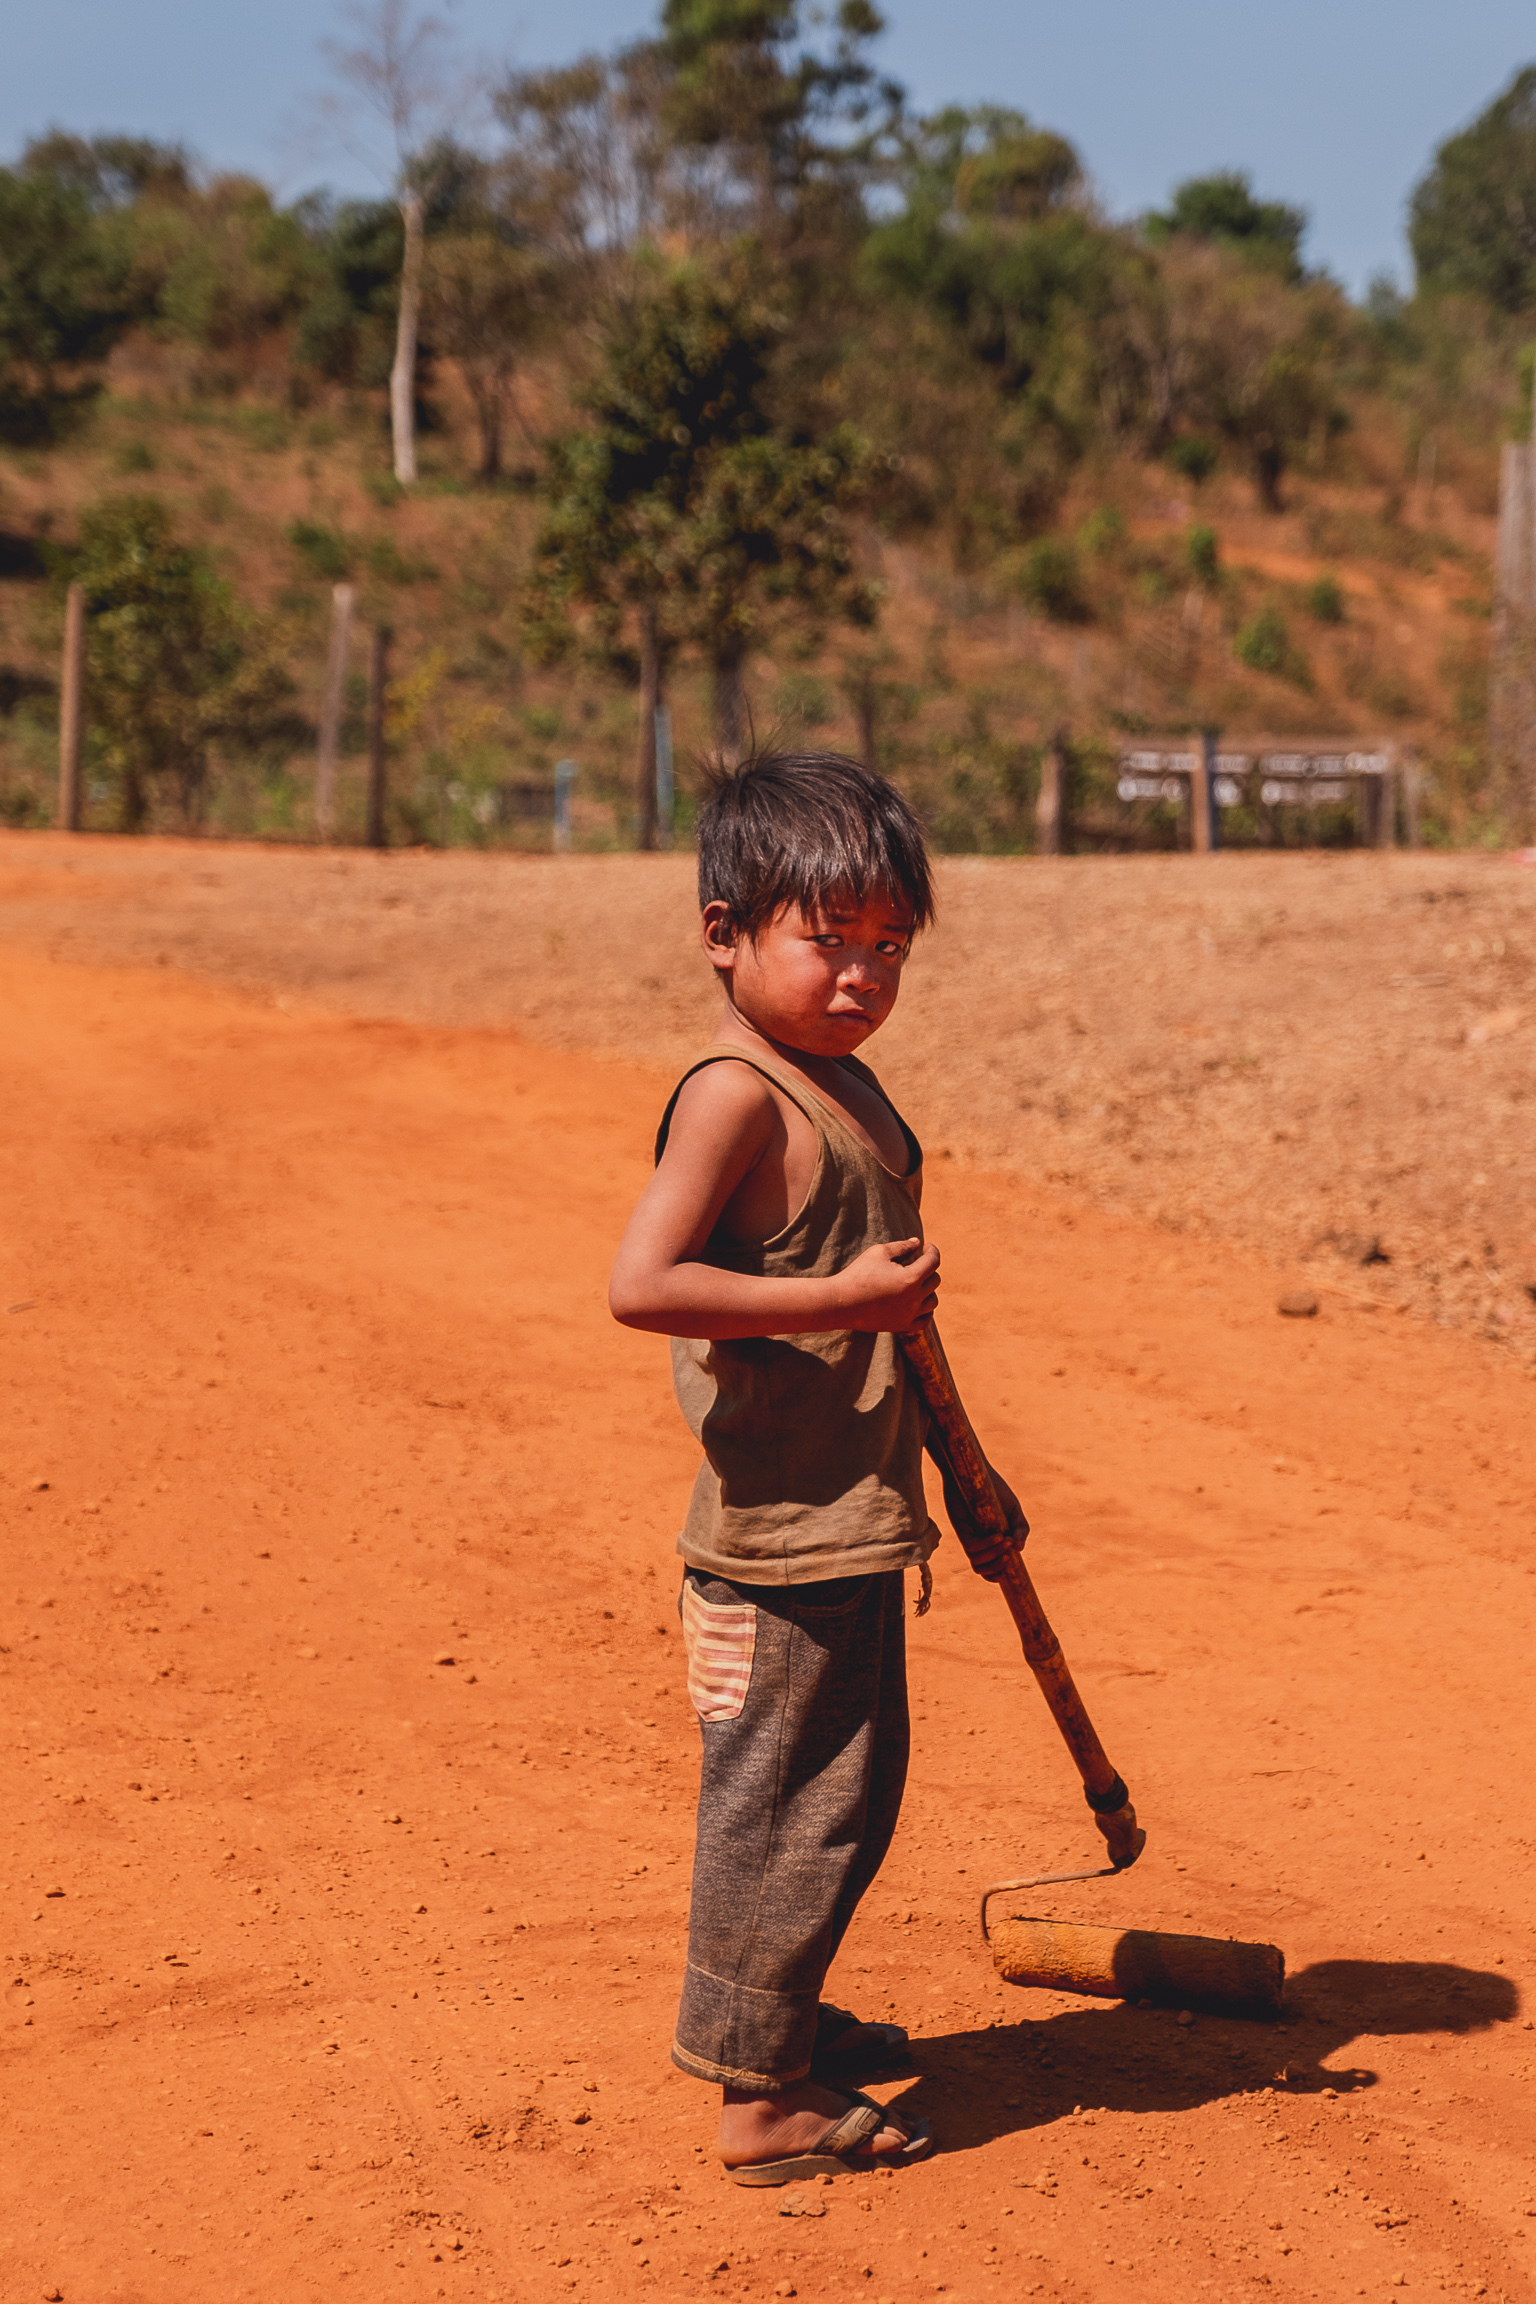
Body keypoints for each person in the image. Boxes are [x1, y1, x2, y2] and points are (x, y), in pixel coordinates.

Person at [608, 749, 1027, 2185]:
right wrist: (835, 1303)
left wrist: (957, 1478)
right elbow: (642, 1283)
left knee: (847, 1798)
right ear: (725, 930)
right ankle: (760, 2102)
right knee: (789, 1808)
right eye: (824, 938)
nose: (859, 973)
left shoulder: (835, 1078)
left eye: (886, 944)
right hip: (777, 1540)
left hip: (848, 1520)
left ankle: (770, 2024)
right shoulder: (736, 1098)